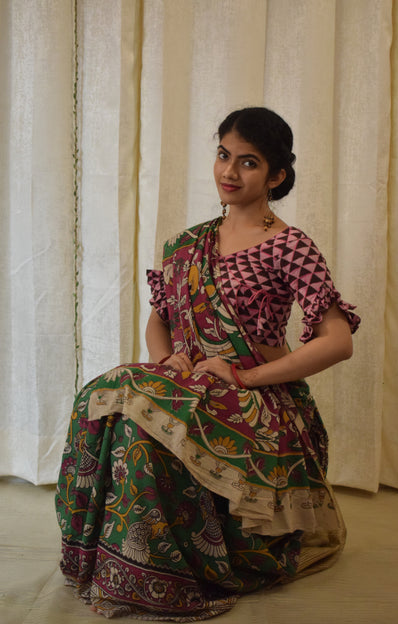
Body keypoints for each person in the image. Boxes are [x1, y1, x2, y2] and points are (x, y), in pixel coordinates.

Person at [55, 107, 360, 620]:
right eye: (223, 155)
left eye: (248, 162)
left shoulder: (290, 246)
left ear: (276, 176)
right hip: (191, 387)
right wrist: (167, 365)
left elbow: (338, 341)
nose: (229, 172)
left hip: (259, 404)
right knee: (113, 403)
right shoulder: (187, 244)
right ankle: (121, 567)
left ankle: (178, 572)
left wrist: (243, 375)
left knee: (127, 401)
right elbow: (160, 322)